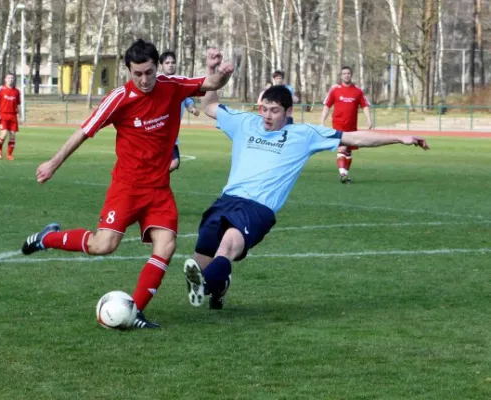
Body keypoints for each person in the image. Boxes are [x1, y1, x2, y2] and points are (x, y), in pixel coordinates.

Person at [20, 39, 234, 328]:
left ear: (157, 67)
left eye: (148, 72)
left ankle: (136, 313)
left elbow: (211, 82)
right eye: (137, 74)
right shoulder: (119, 98)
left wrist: (221, 70)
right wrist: (53, 163)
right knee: (103, 245)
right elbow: (84, 131)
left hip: (159, 188)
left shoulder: (172, 86)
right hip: (127, 187)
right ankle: (47, 238)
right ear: (128, 71)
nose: (144, 80)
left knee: (166, 245)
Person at [183, 85, 429, 310]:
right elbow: (209, 106)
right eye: (264, 109)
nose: (267, 116)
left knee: (227, 247)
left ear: (289, 111)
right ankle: (218, 284)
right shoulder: (245, 122)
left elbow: (354, 137)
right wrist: (212, 72)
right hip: (226, 200)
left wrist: (400, 137)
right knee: (202, 257)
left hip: (257, 208)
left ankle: (204, 287)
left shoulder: (304, 134)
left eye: (275, 111)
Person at [320, 66, 373, 183]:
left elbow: (365, 105)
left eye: (348, 73)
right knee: (342, 148)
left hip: (352, 126)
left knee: (348, 150)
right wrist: (322, 121)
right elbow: (327, 106)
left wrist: (369, 119)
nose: (346, 75)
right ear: (341, 75)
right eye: (344, 73)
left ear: (351, 75)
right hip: (338, 124)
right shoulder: (335, 90)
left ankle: (345, 175)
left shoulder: (358, 91)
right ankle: (342, 173)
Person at [159, 51, 201, 172]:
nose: (170, 65)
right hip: (157, 131)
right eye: (167, 63)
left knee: (174, 163)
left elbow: (188, 99)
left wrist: (192, 108)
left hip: (172, 133)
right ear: (161, 65)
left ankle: (153, 181)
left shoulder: (180, 83)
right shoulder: (157, 82)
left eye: (173, 62)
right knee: (172, 162)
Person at [0, 73, 21, 161]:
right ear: (5, 79)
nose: (10, 80)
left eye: (12, 78)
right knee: (4, 133)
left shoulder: (17, 91)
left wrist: (20, 116)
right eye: (9, 78)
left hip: (13, 115)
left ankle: (9, 155)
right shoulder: (1, 89)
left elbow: (18, 105)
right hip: (3, 115)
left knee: (12, 136)